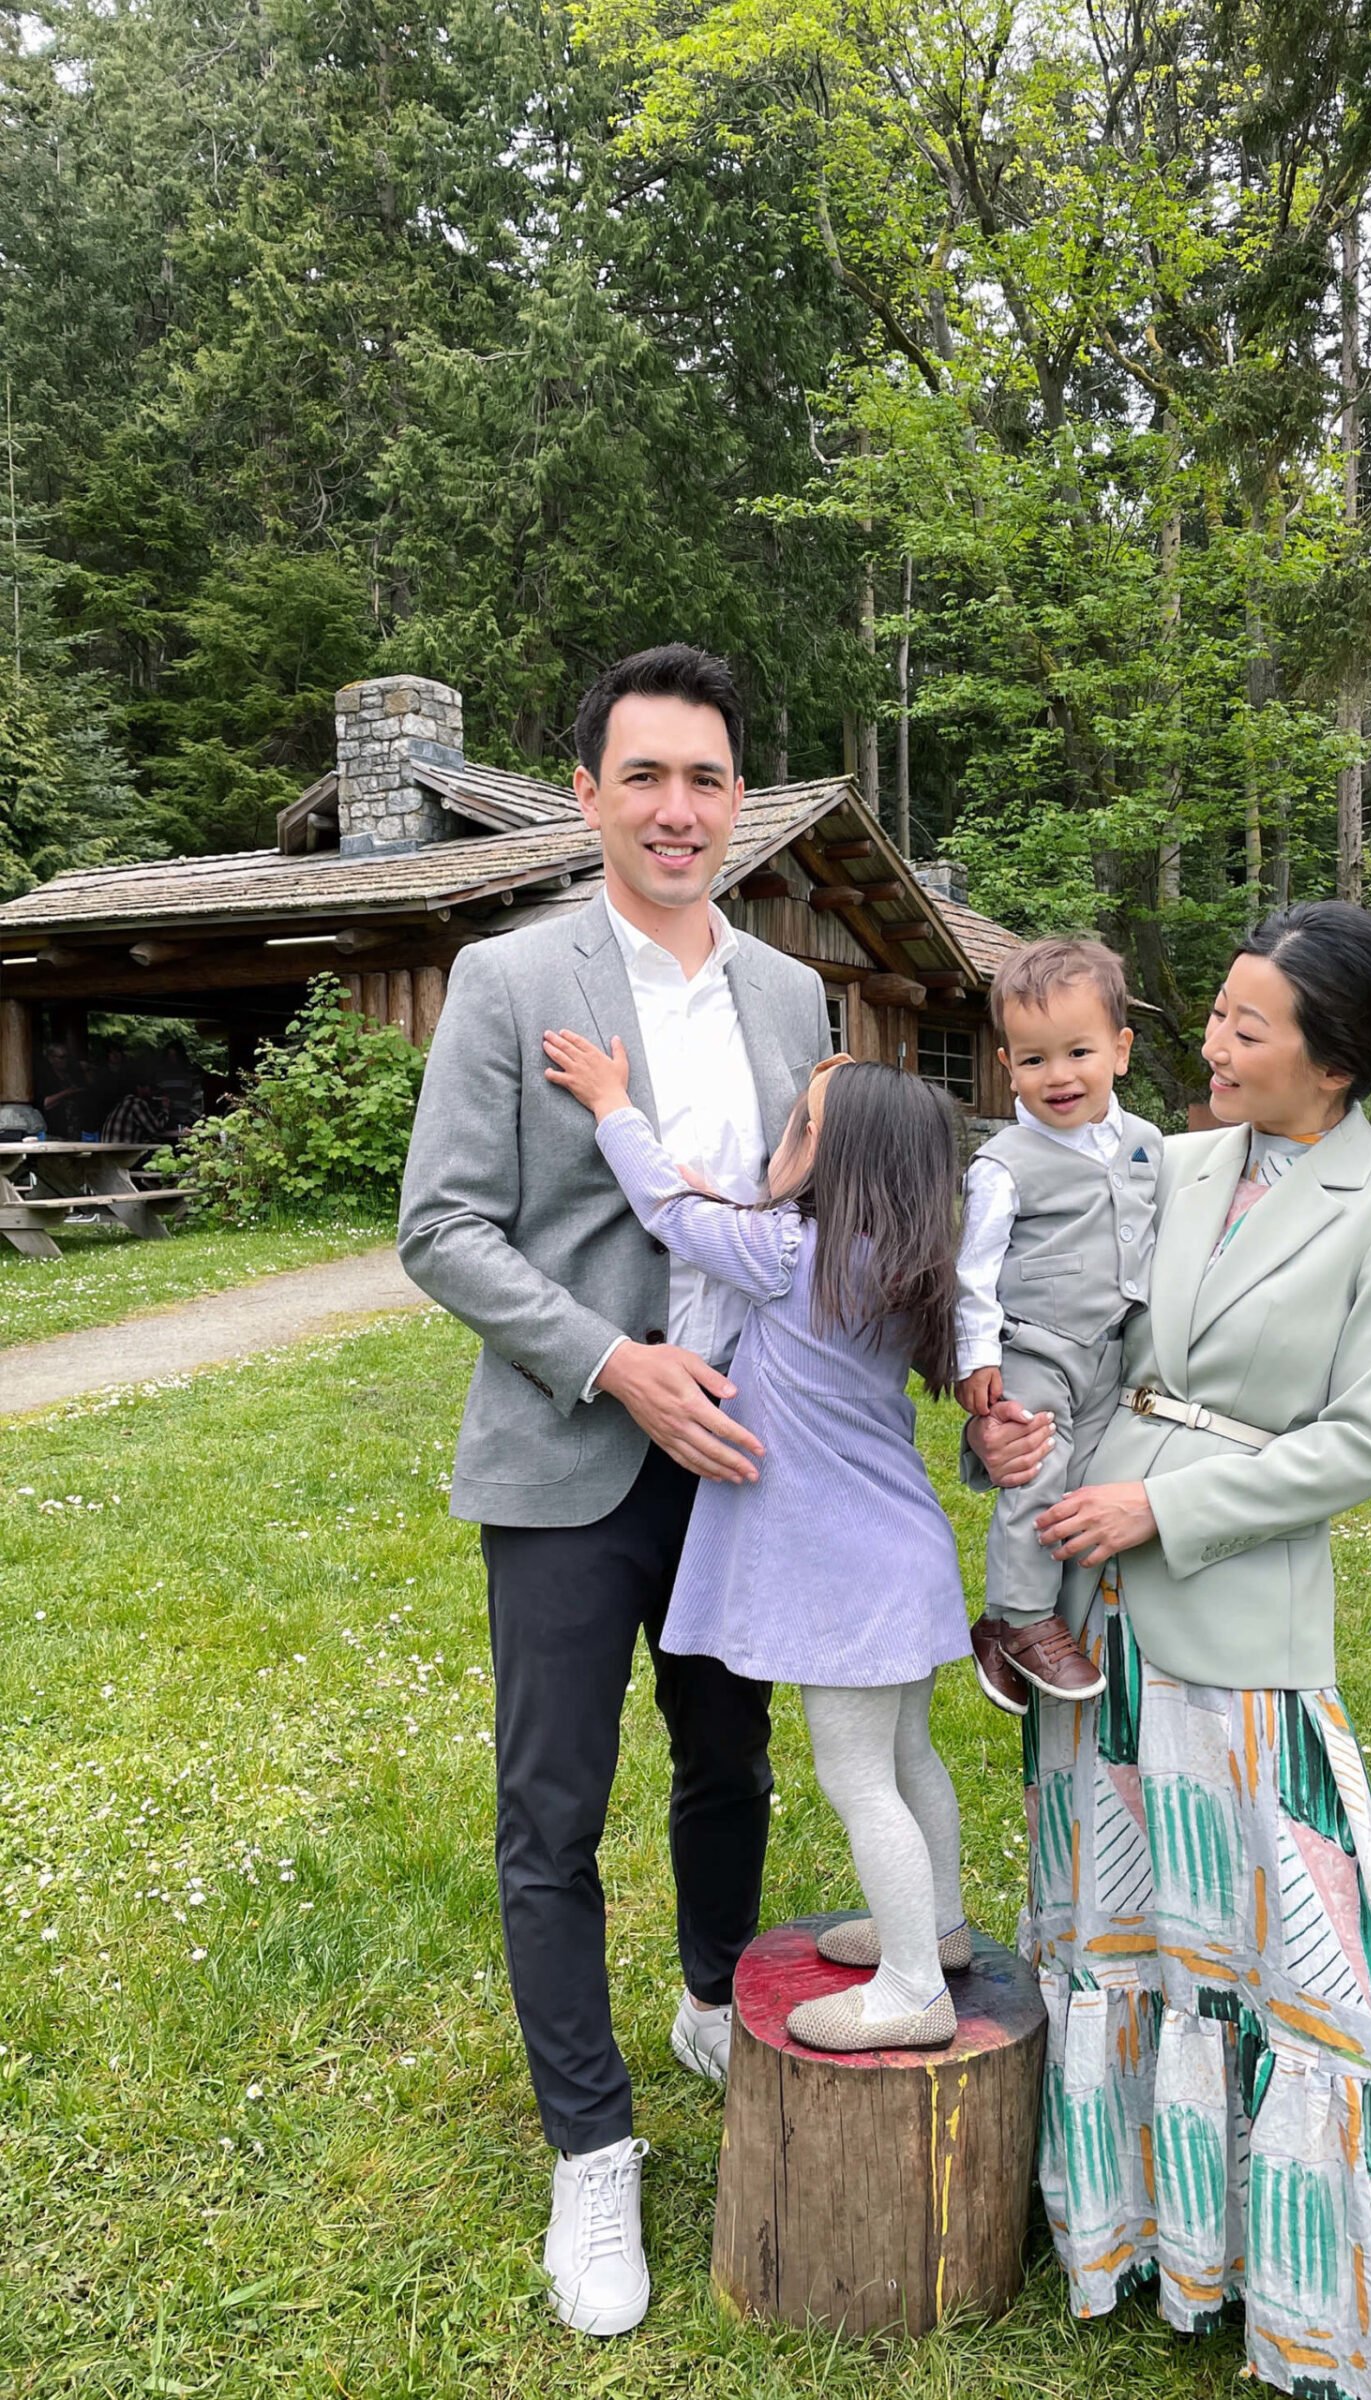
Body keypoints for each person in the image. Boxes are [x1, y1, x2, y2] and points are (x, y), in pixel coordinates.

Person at [971, 901, 1371, 2399]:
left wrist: (1162, 1508)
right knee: (1116, 1912)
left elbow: (1361, 1444)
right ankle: (1133, 2227)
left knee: (1288, 1937)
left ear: (1334, 1062)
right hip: (1088, 1585)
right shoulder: (1168, 1161)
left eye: (1245, 1027)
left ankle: (1326, 2270)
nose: (1211, 1046)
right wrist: (1012, 1427)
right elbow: (1071, 1326)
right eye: (1215, 1016)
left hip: (1230, 1600)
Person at [398, 645, 832, 2341]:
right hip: (569, 1454)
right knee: (553, 1815)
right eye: (643, 775)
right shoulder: (509, 980)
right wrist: (611, 1362)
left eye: (704, 779)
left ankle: (714, 1996)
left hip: (741, 1460)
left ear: (741, 802)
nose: (675, 809)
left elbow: (812, 1218)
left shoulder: (794, 996)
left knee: (730, 1756)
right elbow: (443, 1227)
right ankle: (591, 2151)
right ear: (587, 795)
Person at [541, 1035, 972, 2054]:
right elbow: (723, 1216)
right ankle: (939, 1927)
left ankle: (913, 1988)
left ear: (831, 1159)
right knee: (909, 1755)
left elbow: (665, 1208)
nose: (779, 1140)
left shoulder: (786, 1255)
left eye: (797, 1127)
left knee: (858, 1778)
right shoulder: (891, 1262)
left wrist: (611, 1104)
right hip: (902, 1553)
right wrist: (730, 1201)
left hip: (846, 1573)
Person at [952, 937, 1162, 1715]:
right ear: (1008, 1066)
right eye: (1035, 1060)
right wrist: (976, 1356)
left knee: (1089, 1482)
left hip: (1114, 1350)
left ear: (1120, 1050)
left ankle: (1016, 1625)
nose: (1059, 1076)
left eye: (1079, 1052)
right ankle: (1023, 1616)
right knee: (1036, 1469)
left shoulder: (1148, 1146)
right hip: (1035, 1348)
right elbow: (973, 1270)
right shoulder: (1004, 1163)